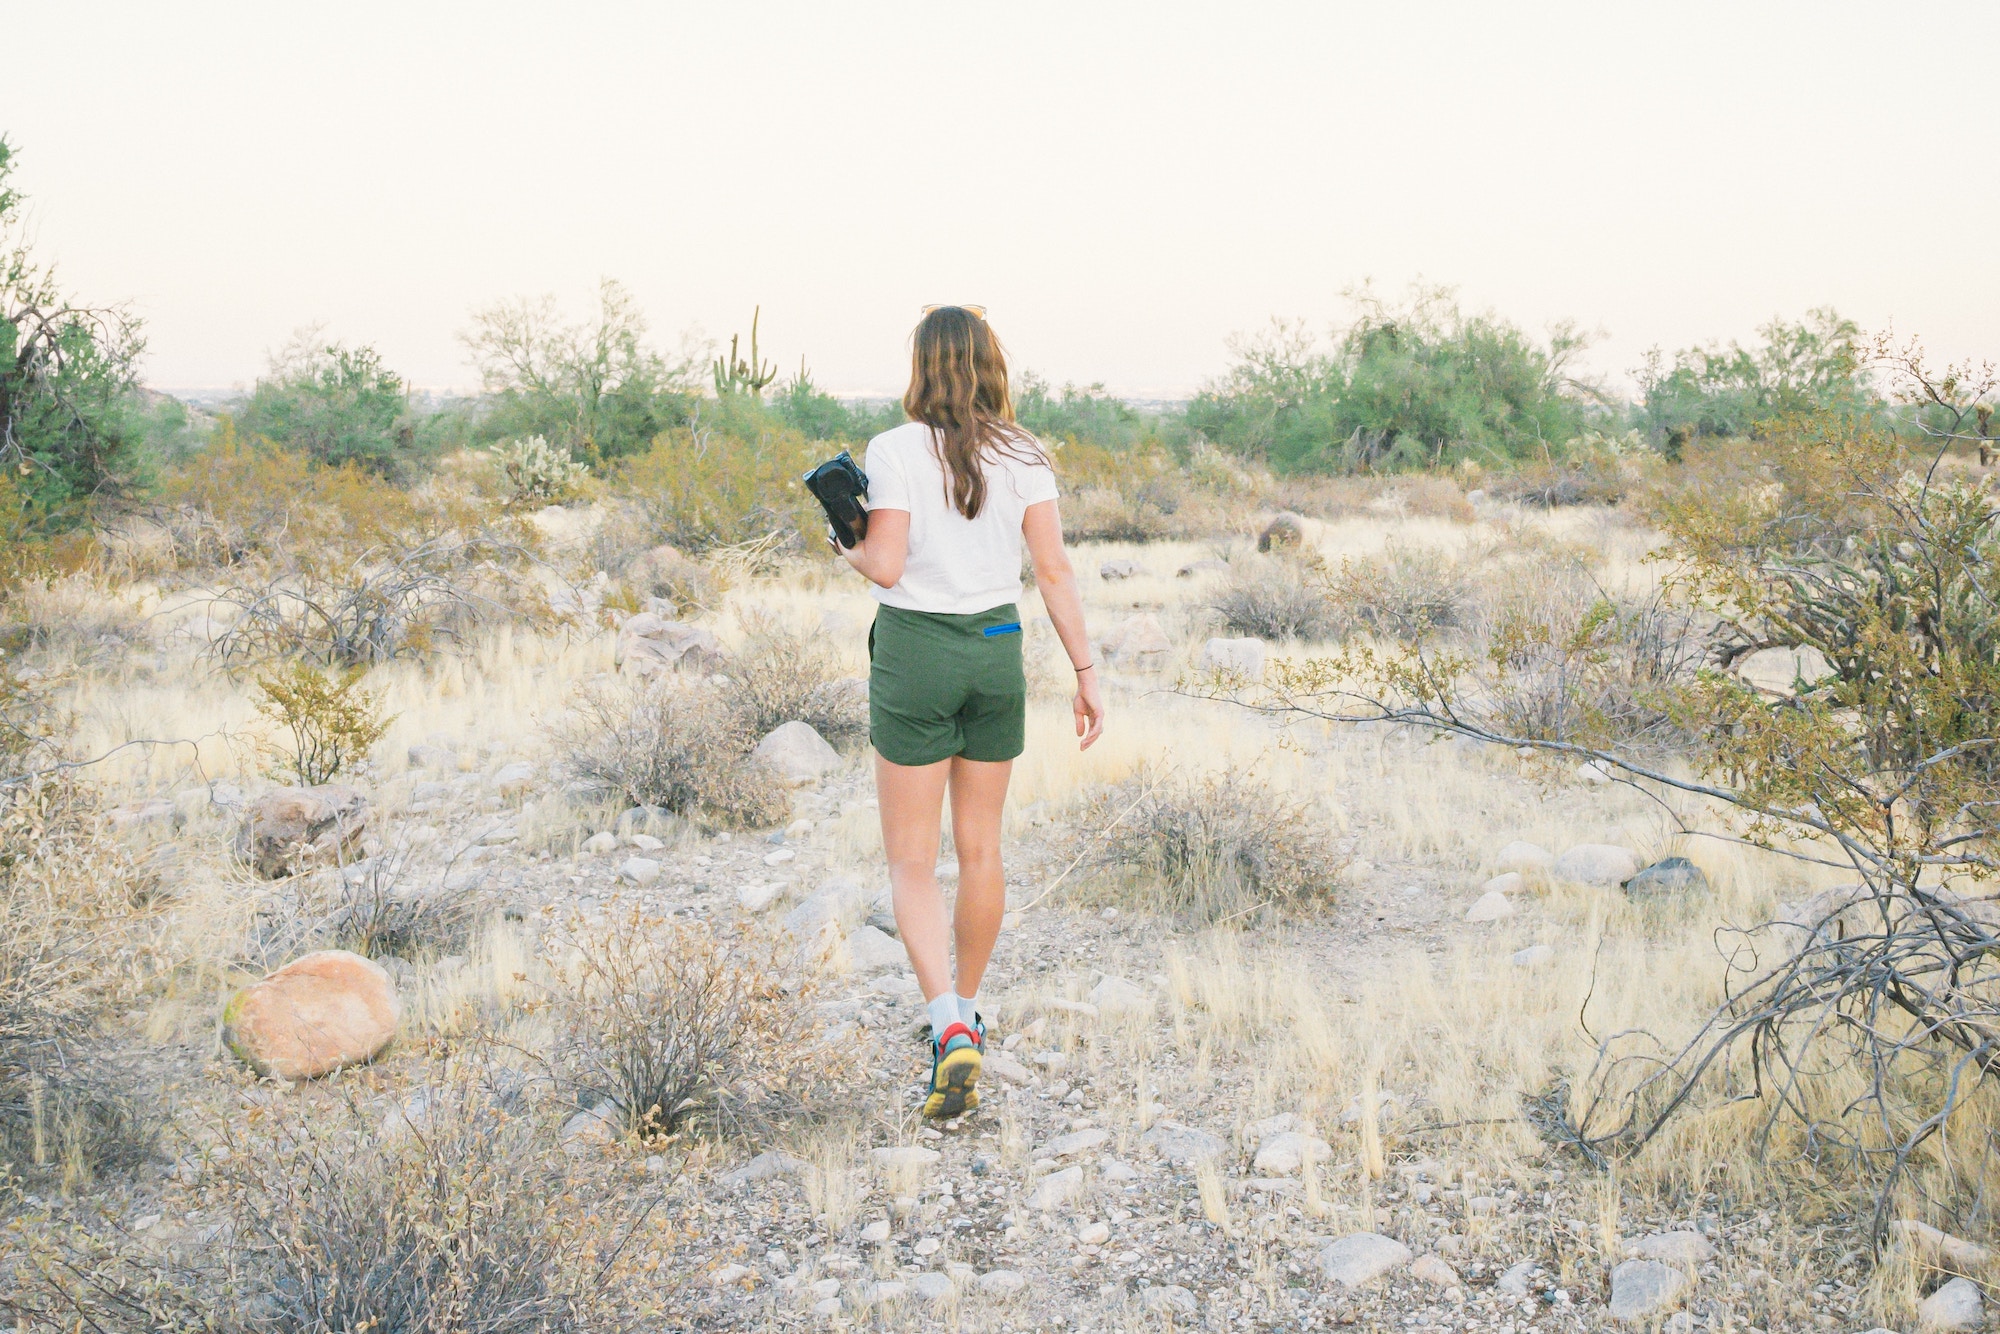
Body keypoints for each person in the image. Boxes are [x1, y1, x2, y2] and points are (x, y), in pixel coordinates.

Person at [837, 305, 1105, 1120]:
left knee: (912, 863)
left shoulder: (892, 449)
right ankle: (973, 1011)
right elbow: (1053, 572)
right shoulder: (1024, 453)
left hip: (918, 649)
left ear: (922, 364)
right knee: (981, 848)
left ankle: (946, 1022)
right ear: (991, 364)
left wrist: (842, 542)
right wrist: (1087, 671)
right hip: (996, 645)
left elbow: (885, 566)